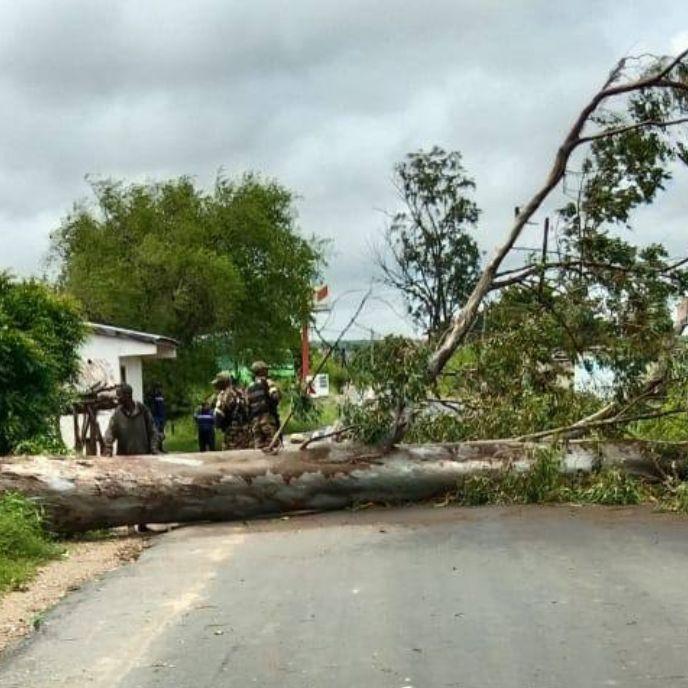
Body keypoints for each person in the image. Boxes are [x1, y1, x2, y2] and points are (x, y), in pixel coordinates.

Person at [103, 384, 159, 457]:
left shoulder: (143, 410)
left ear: (128, 396)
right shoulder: (118, 413)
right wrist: (108, 447)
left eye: (120, 395)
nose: (117, 398)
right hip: (124, 458)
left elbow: (153, 431)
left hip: (143, 457)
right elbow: (110, 431)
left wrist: (154, 447)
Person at [246, 361, 281, 450]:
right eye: (266, 369)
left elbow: (247, 405)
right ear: (262, 371)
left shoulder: (249, 387)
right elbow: (276, 397)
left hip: (255, 421)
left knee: (258, 447)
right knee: (272, 445)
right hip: (267, 419)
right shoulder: (268, 383)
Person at [212, 372, 250, 450]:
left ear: (223, 383)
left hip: (232, 433)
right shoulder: (240, 392)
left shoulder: (224, 395)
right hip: (245, 431)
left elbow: (218, 415)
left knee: (230, 457)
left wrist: (218, 426)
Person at [150, 384, 166, 451]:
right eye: (158, 388)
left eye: (160, 388)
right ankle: (155, 448)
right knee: (156, 433)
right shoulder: (153, 396)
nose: (159, 389)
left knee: (162, 433)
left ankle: (161, 447)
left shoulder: (162, 397)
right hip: (156, 417)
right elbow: (153, 408)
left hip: (162, 417)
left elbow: (163, 407)